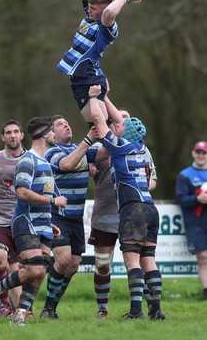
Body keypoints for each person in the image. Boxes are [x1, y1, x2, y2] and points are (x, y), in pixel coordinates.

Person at [0, 116, 67, 326]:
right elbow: (22, 193)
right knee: (32, 270)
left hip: (42, 225)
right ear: (45, 134)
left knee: (39, 273)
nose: (55, 134)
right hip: (26, 223)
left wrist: (48, 221)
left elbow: (38, 198)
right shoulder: (29, 160)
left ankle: (18, 317)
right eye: (53, 131)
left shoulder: (44, 161)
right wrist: (54, 200)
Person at [88, 85, 165, 320]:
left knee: (132, 261)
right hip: (151, 208)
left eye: (120, 124)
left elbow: (100, 121)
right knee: (148, 259)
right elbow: (117, 122)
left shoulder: (119, 147)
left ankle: (136, 311)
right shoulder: (141, 146)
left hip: (133, 208)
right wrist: (107, 97)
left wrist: (94, 98)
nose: (117, 124)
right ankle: (156, 310)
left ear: (124, 131)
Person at [40, 115, 106, 319]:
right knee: (63, 259)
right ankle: (47, 309)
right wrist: (88, 140)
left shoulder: (82, 148)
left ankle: (52, 307)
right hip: (57, 215)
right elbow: (67, 164)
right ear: (52, 134)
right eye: (60, 124)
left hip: (76, 217)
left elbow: (104, 153)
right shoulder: (51, 152)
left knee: (73, 267)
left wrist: (107, 129)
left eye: (67, 122)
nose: (66, 125)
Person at [57, 0, 143, 124]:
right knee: (100, 128)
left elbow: (109, 11)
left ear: (102, 10)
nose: (88, 10)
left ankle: (128, 144)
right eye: (89, 6)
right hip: (80, 79)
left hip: (90, 79)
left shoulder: (107, 29)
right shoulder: (90, 16)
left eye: (93, 8)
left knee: (102, 127)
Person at [0, 119, 30, 317]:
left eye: (16, 131)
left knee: (23, 268)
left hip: (24, 221)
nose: (12, 135)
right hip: (0, 221)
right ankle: (3, 303)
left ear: (22, 135)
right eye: (8, 132)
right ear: (3, 137)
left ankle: (23, 308)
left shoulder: (31, 160)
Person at [175, 141, 207, 301]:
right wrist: (198, 198)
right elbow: (181, 199)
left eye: (204, 153)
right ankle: (206, 292)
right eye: (198, 152)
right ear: (193, 153)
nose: (201, 155)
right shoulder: (185, 175)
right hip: (195, 223)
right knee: (203, 257)